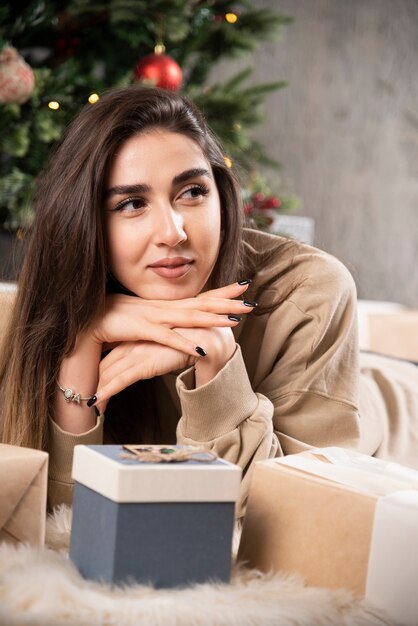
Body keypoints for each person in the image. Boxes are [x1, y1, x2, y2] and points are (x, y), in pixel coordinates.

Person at [1, 86, 417, 517]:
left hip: (393, 410)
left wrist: (216, 362)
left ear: (221, 196)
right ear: (85, 221)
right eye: (131, 203)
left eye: (192, 192)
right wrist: (83, 343)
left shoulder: (306, 290)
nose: (173, 231)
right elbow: (60, 518)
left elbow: (288, 518)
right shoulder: (44, 309)